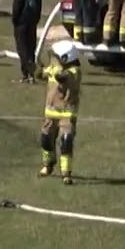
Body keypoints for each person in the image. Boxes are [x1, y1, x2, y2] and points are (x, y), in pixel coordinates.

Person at [39, 40, 83, 185]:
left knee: (66, 141)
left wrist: (55, 72)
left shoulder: (74, 72)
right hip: (50, 112)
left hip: (67, 113)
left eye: (56, 57)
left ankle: (66, 173)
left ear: (65, 58)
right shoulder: (54, 68)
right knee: (46, 138)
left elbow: (64, 77)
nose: (53, 59)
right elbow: (42, 73)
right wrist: (34, 67)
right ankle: (48, 164)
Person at [11, 0, 44, 82]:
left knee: (22, 48)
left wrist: (15, 21)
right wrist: (36, 20)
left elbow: (16, 8)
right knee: (31, 47)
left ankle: (26, 73)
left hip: (21, 24)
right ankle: (31, 71)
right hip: (32, 23)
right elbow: (39, 8)